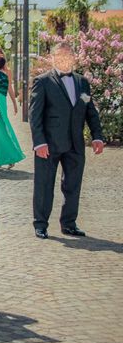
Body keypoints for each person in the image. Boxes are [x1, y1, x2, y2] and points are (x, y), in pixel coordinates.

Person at [29, 42, 104, 239]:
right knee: (44, 185)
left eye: (68, 55)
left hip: (75, 143)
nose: (64, 59)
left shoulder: (82, 82)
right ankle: (40, 224)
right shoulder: (42, 81)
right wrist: (39, 142)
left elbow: (90, 112)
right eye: (59, 56)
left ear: (74, 58)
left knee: (73, 185)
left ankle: (69, 223)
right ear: (52, 58)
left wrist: (97, 136)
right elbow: (34, 115)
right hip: (49, 144)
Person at [0, 56, 25, 168]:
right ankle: (4, 158)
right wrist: (14, 104)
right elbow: (9, 90)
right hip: (2, 103)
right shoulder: (5, 76)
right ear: (4, 65)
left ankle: (4, 157)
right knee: (4, 127)